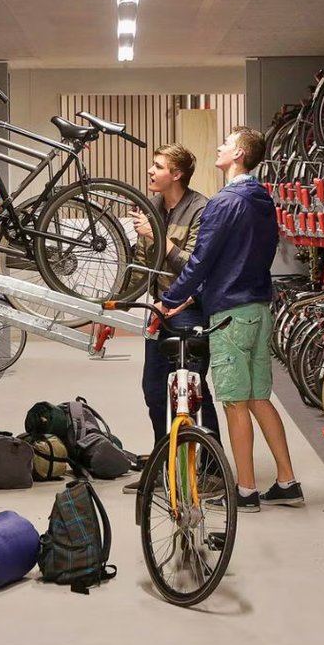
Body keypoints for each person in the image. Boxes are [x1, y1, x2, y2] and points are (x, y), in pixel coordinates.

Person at [154, 126, 300, 513]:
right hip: (258, 308)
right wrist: (193, 298)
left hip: (231, 316)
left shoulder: (224, 202)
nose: (218, 147)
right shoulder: (262, 198)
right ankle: (288, 482)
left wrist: (171, 298)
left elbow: (203, 260)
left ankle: (246, 490)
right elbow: (238, 258)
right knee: (258, 398)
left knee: (234, 402)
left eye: (225, 143)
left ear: (238, 154)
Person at [122, 144, 220, 493]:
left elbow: (193, 266)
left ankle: (211, 470)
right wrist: (117, 302)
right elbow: (140, 264)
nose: (150, 171)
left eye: (158, 166)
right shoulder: (152, 208)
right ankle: (166, 466)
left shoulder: (201, 209)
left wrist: (156, 235)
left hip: (189, 309)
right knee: (153, 391)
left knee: (192, 389)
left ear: (176, 175)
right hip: (159, 309)